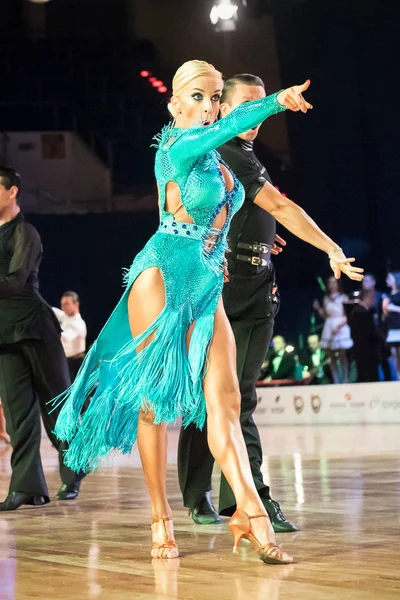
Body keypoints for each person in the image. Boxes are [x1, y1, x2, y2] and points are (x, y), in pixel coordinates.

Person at [52, 60, 362, 564]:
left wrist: (286, 242)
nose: (208, 106)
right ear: (174, 104)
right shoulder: (177, 146)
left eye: (215, 97)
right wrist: (277, 101)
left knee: (226, 404)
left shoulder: (220, 162)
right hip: (162, 274)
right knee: (153, 406)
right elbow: (227, 130)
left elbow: (246, 208)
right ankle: (160, 517)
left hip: (207, 283)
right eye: (197, 96)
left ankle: (250, 513)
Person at [178, 72, 363, 531]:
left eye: (264, 106)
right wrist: (330, 248)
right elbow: (278, 206)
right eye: (249, 106)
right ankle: (199, 493)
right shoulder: (216, 148)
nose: (258, 116)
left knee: (240, 397)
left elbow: (258, 211)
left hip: (259, 289)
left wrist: (262, 237)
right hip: (216, 291)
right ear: (224, 109)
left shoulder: (244, 154)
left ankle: (246, 498)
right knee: (210, 398)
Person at [0, 166, 85, 511]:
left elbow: (16, 281)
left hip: (34, 325)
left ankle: (73, 470)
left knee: (55, 404)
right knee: (18, 413)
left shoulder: (26, 233)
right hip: (4, 332)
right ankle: (26, 487)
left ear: (12, 192)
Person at [314, 276, 353, 383]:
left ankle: (345, 378)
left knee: (342, 354)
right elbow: (326, 316)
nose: (332, 285)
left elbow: (347, 315)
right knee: (331, 355)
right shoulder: (326, 298)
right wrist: (318, 309)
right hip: (329, 326)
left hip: (340, 326)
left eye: (334, 282)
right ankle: (335, 379)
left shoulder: (344, 297)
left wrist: (339, 327)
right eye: (330, 282)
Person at [349, 289, 384, 382]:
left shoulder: (358, 311)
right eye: (373, 298)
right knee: (368, 377)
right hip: (367, 351)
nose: (375, 300)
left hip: (363, 350)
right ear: (368, 298)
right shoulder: (362, 313)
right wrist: (381, 339)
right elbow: (370, 333)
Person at [53, 291, 87, 381]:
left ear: (76, 304)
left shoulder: (78, 323)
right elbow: (52, 311)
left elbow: (64, 337)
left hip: (75, 363)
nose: (63, 307)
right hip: (66, 361)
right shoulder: (65, 317)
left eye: (67, 304)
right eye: (62, 304)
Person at [383, 271, 400, 379]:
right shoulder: (387, 296)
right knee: (393, 352)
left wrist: (393, 308)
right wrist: (385, 307)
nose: (387, 280)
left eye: (389, 278)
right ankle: (397, 374)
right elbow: (385, 314)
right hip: (391, 326)